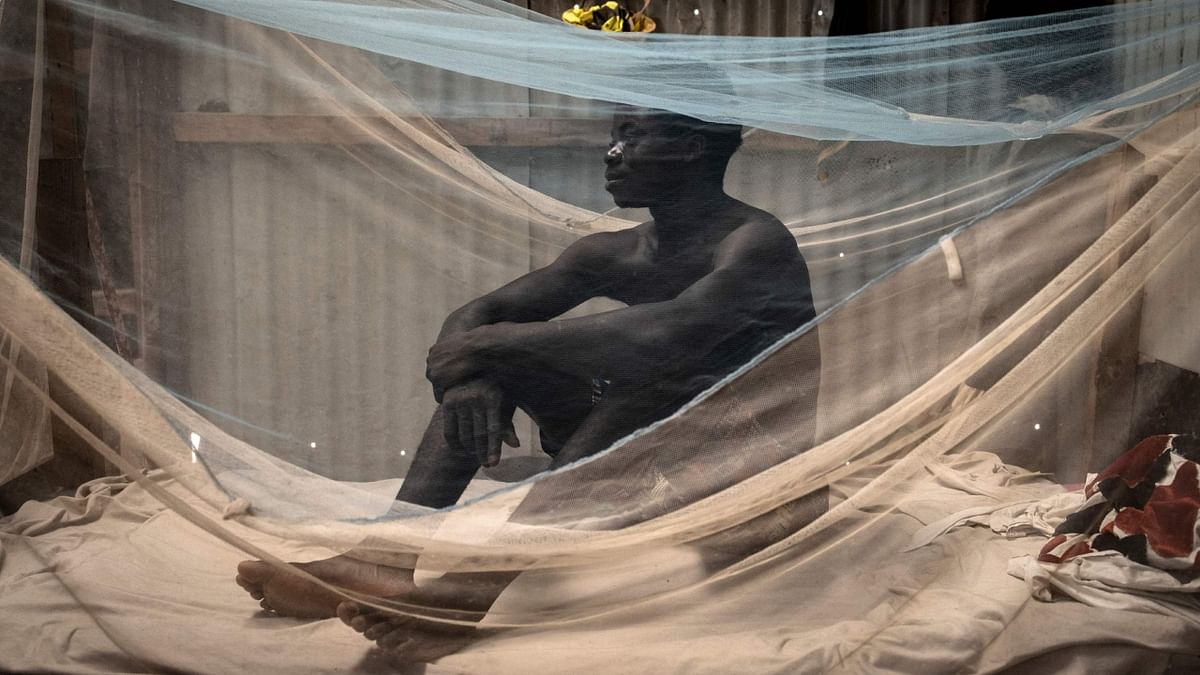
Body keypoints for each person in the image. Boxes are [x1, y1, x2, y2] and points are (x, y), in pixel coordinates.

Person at [235, 103, 818, 658]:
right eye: (614, 136)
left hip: (751, 483)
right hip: (646, 465)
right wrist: (474, 377)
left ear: (691, 147)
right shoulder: (615, 252)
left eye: (633, 135)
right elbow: (475, 315)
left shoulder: (756, 242)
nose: (612, 153)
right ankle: (384, 558)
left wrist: (486, 347)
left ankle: (470, 594)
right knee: (498, 361)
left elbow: (664, 334)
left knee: (652, 378)